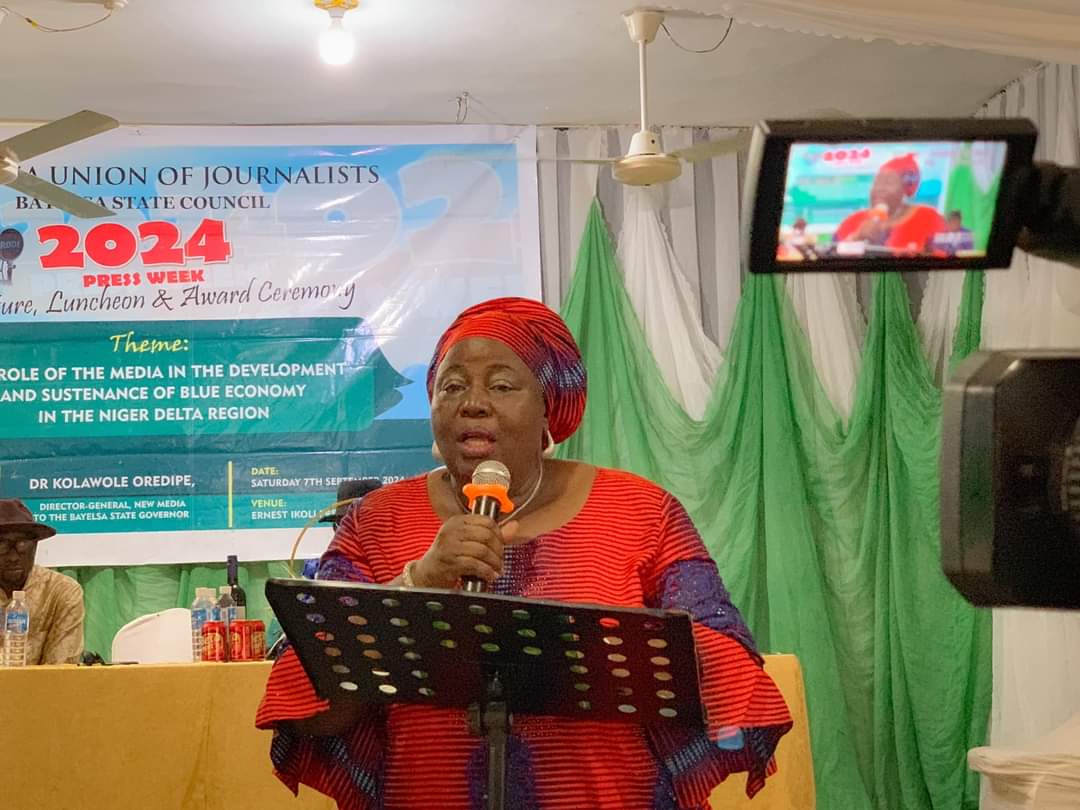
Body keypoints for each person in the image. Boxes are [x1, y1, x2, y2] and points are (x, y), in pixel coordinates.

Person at [257, 298, 793, 810]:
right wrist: (416, 584)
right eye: (452, 386)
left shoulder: (641, 512)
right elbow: (309, 708)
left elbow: (731, 681)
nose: (472, 402)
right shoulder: (376, 521)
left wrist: (600, 649)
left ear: (547, 409)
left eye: (501, 385)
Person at [0, 498, 84, 665]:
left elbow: (61, 668)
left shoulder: (62, 591)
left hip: (41, 682)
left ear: (36, 546)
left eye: (22, 544)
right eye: (1, 546)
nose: (13, 557)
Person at [833, 153, 946, 254]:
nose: (879, 188)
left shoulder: (929, 218)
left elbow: (944, 256)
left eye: (888, 183)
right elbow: (830, 256)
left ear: (905, 189)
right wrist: (856, 238)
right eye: (876, 182)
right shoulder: (852, 221)